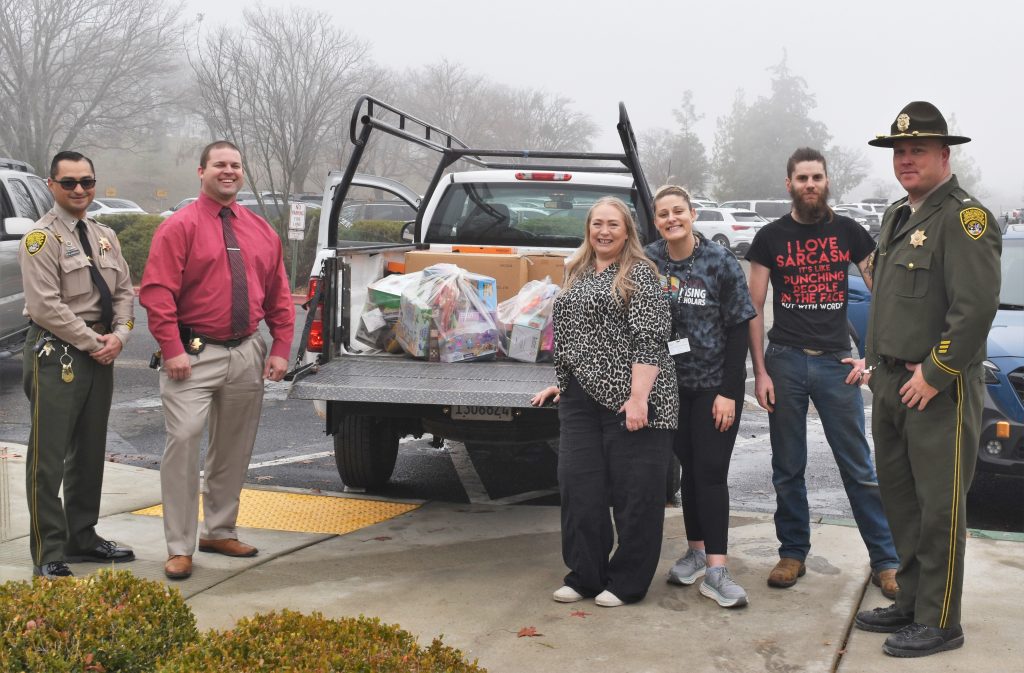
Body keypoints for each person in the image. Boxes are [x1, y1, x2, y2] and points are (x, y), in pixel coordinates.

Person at [853, 102, 1001, 658]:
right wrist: (872, 365)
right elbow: (888, 301)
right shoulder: (896, 216)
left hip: (936, 388)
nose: (906, 160)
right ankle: (913, 602)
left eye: (918, 150)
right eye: (899, 151)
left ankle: (941, 621)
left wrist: (936, 373)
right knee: (901, 502)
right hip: (892, 383)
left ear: (945, 155)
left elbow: (974, 309)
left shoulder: (966, 219)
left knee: (939, 507)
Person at [746, 147, 899, 597]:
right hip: (786, 361)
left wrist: (871, 357)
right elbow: (753, 308)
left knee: (858, 465)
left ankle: (886, 560)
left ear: (827, 181)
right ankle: (792, 553)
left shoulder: (849, 232)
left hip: (837, 364)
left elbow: (886, 294)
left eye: (816, 177)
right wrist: (760, 372)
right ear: (789, 184)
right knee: (787, 466)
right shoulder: (769, 237)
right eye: (801, 178)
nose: (809, 184)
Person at [140, 140, 295, 580]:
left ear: (242, 173)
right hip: (192, 354)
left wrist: (280, 346)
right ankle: (179, 546)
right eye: (219, 165)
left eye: (235, 165)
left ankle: (220, 529)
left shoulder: (262, 230)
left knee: (234, 446)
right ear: (201, 171)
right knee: (185, 440)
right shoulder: (179, 227)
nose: (228, 171)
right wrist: (171, 349)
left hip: (247, 351)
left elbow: (279, 293)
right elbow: (156, 293)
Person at [531, 196, 678, 607]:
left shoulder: (640, 274)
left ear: (627, 230)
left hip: (633, 396)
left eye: (613, 224)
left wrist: (638, 398)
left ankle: (627, 582)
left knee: (635, 495)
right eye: (597, 224)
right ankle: (585, 577)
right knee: (579, 487)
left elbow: (650, 338)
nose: (604, 231)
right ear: (588, 229)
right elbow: (575, 334)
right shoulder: (576, 270)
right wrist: (563, 381)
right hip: (580, 398)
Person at [18, 151, 137, 578]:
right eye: (69, 182)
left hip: (100, 349)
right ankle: (48, 550)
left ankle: (81, 536)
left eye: (86, 181)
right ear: (52, 185)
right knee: (47, 457)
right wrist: (93, 342)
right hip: (58, 353)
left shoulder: (105, 234)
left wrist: (119, 336)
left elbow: (124, 291)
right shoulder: (40, 238)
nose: (79, 189)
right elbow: (44, 306)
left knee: (89, 451)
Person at [645, 185, 756, 608]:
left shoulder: (719, 261)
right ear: (655, 221)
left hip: (712, 388)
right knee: (688, 471)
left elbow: (740, 329)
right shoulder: (649, 261)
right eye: (663, 214)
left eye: (679, 211)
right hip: (669, 390)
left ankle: (717, 570)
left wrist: (730, 392)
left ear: (692, 214)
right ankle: (695, 551)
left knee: (710, 473)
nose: (672, 219)